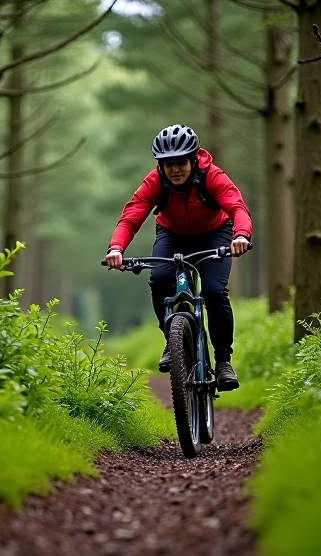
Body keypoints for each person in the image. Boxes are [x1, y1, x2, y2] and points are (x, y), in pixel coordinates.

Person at [104, 124, 252, 391]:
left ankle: (223, 362)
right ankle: (172, 341)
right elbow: (132, 216)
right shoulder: (155, 181)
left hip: (215, 234)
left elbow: (236, 206)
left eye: (181, 163)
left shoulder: (212, 176)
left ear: (193, 160)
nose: (175, 170)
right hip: (172, 235)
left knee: (214, 291)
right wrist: (116, 248)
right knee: (159, 279)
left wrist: (241, 235)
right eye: (167, 164)